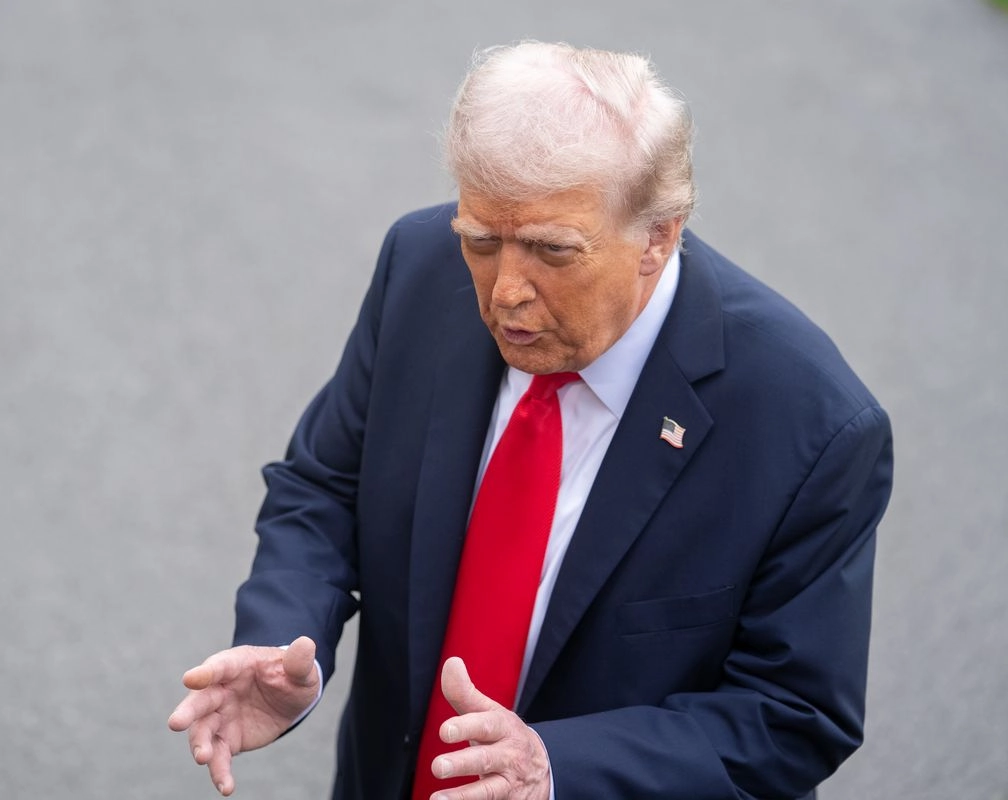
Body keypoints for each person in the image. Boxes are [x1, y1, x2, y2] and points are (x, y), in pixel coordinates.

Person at [168, 41, 893, 800]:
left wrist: (557, 771)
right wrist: (287, 643)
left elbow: (792, 714)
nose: (505, 292)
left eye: (552, 251)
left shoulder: (811, 424)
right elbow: (325, 486)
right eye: (482, 241)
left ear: (658, 236)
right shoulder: (420, 267)